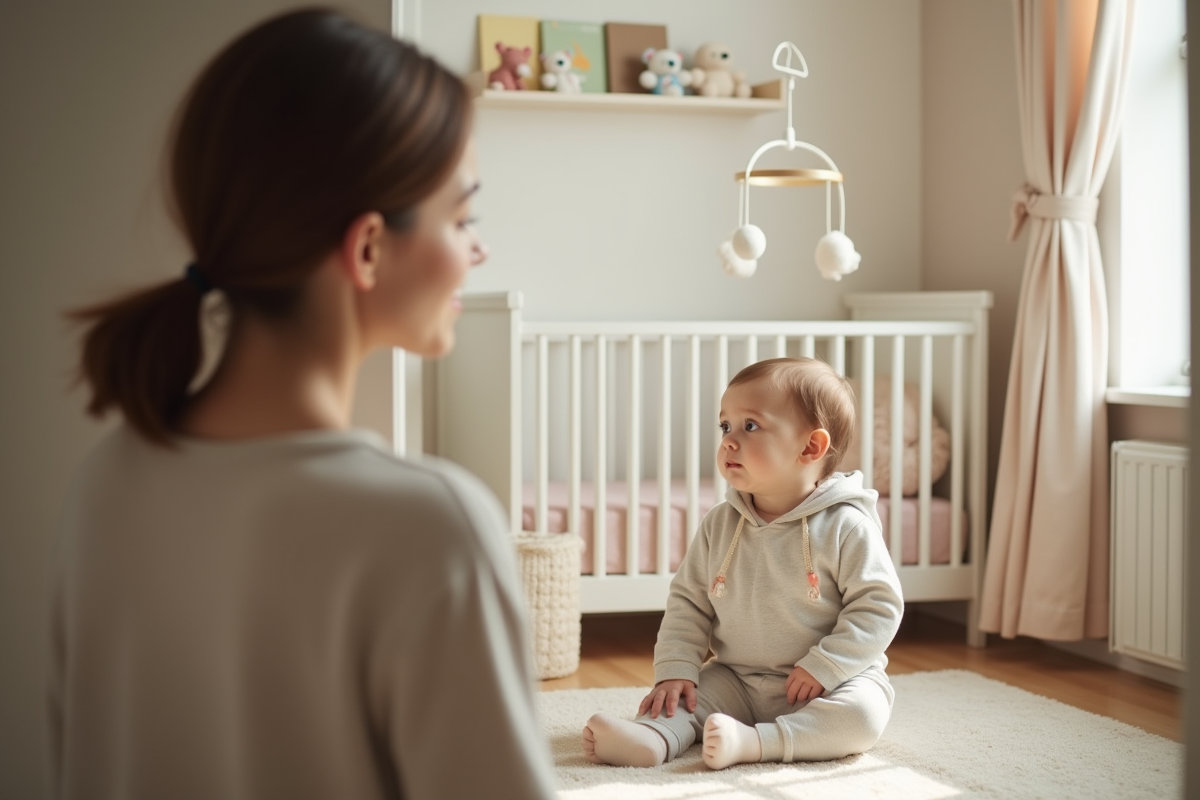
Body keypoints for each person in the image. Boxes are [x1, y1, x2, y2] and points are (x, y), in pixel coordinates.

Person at [49, 8, 558, 800]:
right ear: (366, 249)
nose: (477, 251)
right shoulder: (430, 526)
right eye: (463, 218)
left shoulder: (105, 482)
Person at [583, 357, 904, 770]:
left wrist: (827, 665)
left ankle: (756, 744)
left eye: (749, 426)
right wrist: (676, 669)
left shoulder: (847, 525)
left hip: (829, 681)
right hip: (737, 678)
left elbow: (878, 606)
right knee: (681, 699)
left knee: (861, 717)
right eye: (725, 427)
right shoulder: (721, 523)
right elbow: (689, 602)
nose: (729, 440)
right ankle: (652, 739)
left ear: (810, 447)